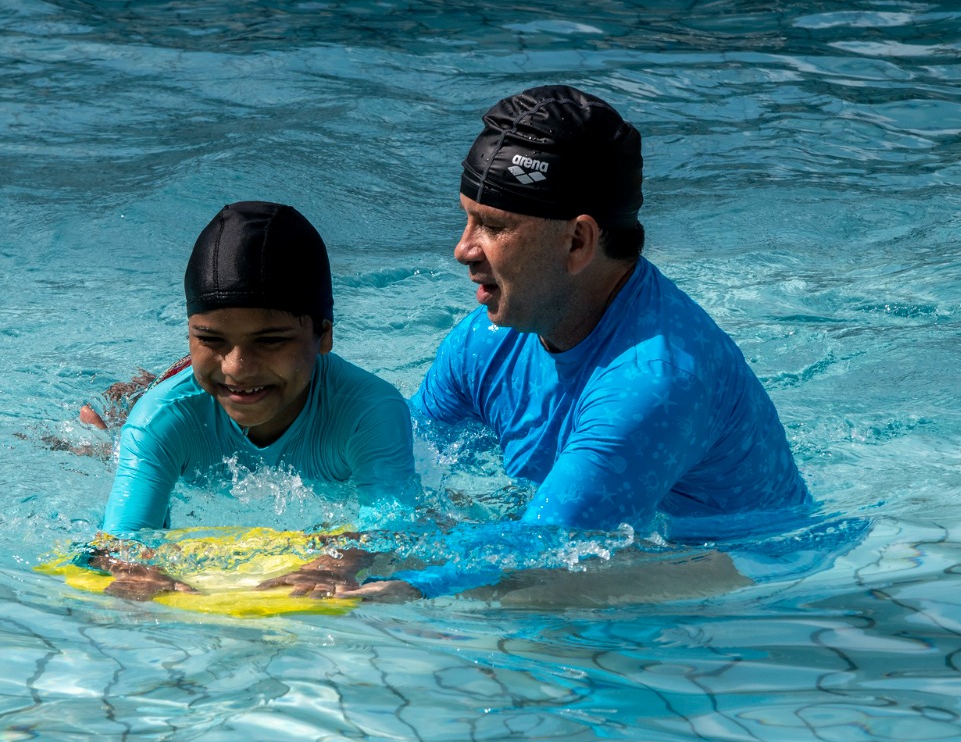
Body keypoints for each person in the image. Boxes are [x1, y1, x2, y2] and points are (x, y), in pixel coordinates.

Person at [317, 85, 810, 601]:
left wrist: (404, 588)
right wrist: (346, 554)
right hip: (603, 541)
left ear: (578, 241)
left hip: (749, 576)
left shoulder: (654, 384)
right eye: (467, 218)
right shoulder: (486, 341)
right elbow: (402, 467)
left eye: (492, 226)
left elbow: (547, 547)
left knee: (522, 602)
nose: (462, 249)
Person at [88, 201, 416, 599]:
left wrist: (339, 560)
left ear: (324, 334)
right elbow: (121, 540)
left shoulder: (369, 411)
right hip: (169, 410)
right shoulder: (161, 419)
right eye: (210, 340)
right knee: (105, 445)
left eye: (271, 341)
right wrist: (137, 570)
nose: (238, 368)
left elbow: (395, 523)